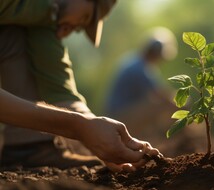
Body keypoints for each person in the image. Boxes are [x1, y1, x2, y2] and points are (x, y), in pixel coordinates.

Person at [0, 0, 161, 171]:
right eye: (85, 18)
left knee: (15, 35)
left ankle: (28, 148)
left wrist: (96, 129)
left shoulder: (45, 18)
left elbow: (60, 88)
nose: (69, 30)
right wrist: (79, 127)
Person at [105, 27, 178, 140]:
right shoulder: (141, 68)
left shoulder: (134, 61)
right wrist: (181, 103)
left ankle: (148, 138)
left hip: (115, 114)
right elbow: (160, 94)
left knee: (155, 103)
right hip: (120, 116)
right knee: (161, 105)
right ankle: (172, 138)